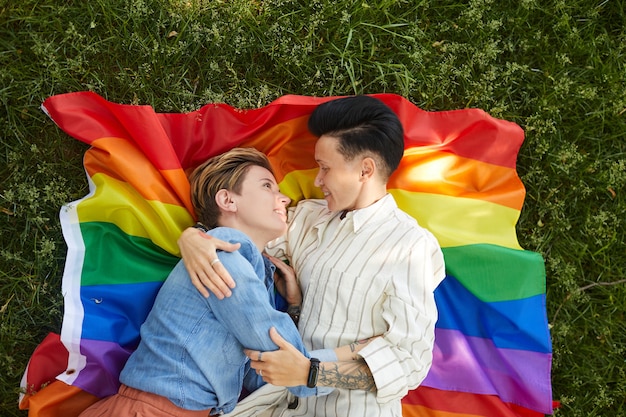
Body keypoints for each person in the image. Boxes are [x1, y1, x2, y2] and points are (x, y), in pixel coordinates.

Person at [178, 96, 446, 416]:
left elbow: (409, 362)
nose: (317, 180)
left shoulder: (410, 245)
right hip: (276, 403)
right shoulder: (306, 218)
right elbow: (242, 228)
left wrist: (311, 373)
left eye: (325, 168)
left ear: (365, 170)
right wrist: (193, 237)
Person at [77, 148, 354, 417]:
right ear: (228, 200)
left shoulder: (239, 269)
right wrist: (363, 355)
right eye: (267, 186)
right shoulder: (224, 262)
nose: (283, 199)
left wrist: (292, 307)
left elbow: (266, 374)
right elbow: (294, 370)